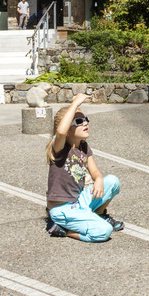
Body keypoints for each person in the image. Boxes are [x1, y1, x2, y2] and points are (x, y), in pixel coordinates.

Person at [45, 92, 123, 242]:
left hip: (79, 201)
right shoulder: (59, 148)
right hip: (62, 210)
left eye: (86, 119)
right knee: (104, 231)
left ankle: (99, 215)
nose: (85, 123)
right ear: (68, 130)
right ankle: (63, 230)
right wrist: (75, 104)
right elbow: (60, 131)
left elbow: (95, 172)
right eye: (79, 121)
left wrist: (99, 179)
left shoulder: (83, 147)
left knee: (112, 181)